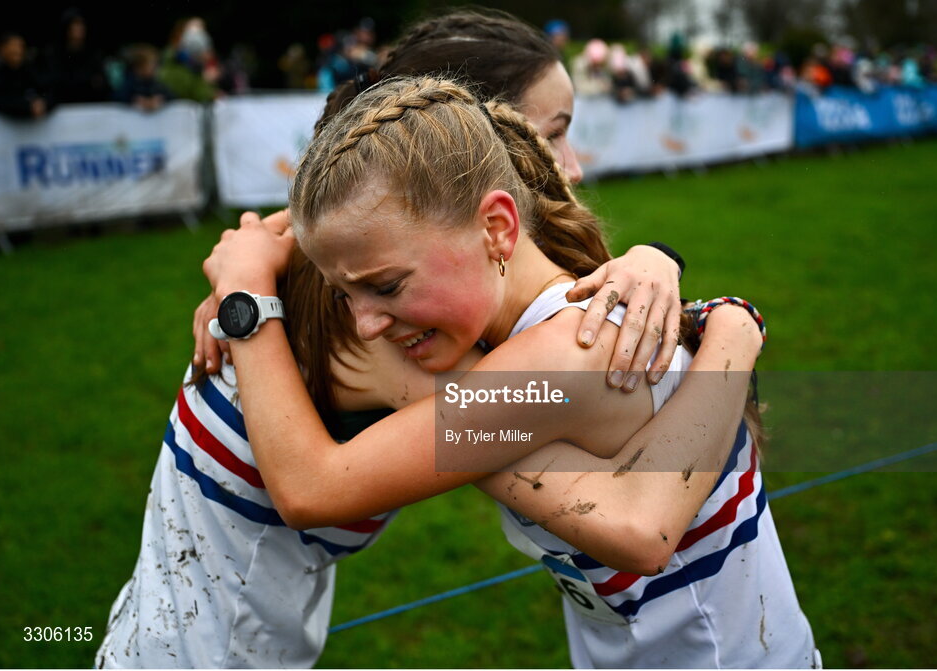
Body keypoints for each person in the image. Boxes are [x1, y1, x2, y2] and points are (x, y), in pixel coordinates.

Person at [95, 10, 697, 668]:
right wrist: (728, 330)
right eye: (550, 135)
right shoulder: (387, 323)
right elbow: (630, 521)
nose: (571, 168)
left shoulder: (339, 266)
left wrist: (656, 258)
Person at [200, 75, 818, 668]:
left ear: (497, 227)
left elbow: (312, 490)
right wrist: (732, 319)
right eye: (345, 296)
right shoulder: (548, 336)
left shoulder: (568, 354)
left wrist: (247, 295)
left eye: (385, 286)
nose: (365, 326)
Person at [0, 32, 52, 119]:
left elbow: (49, 89)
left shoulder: (29, 70)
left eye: (20, 46)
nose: (17, 50)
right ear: (1, 48)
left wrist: (43, 103)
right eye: (12, 46)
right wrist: (26, 107)